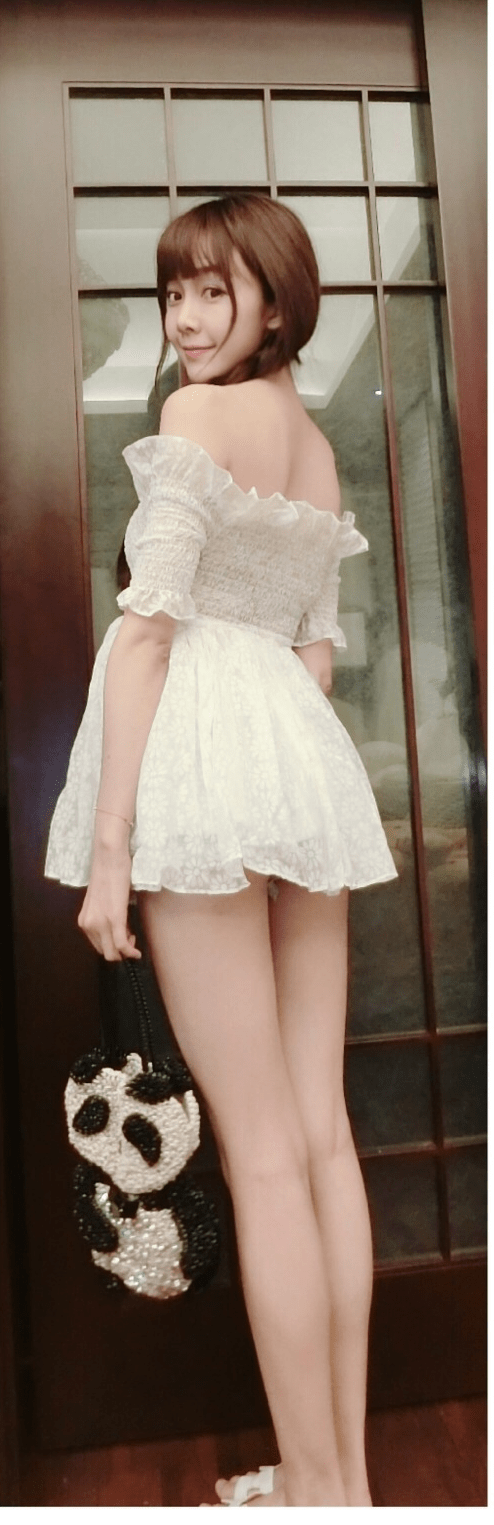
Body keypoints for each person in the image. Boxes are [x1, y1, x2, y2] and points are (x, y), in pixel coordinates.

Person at [45, 193, 397, 1507]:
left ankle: (315, 1497)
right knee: (318, 1140)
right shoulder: (313, 448)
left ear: (277, 298)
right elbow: (316, 652)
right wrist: (286, 774)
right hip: (296, 763)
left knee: (261, 1153)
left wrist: (111, 852)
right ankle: (341, 1483)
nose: (186, 318)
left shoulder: (195, 420)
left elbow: (148, 634)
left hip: (200, 761)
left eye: (213, 290)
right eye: (173, 293)